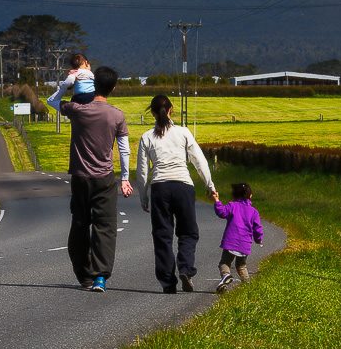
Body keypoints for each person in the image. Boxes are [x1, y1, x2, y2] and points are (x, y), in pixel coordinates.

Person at [46, 65, 132, 293]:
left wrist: (66, 83)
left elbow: (52, 102)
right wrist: (125, 178)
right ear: (113, 88)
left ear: (94, 86)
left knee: (80, 225)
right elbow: (124, 150)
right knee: (105, 227)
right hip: (104, 178)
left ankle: (84, 275)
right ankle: (100, 277)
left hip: (80, 177)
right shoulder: (117, 115)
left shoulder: (77, 109)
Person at [135, 94, 216, 294]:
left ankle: (167, 282)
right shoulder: (183, 132)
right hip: (183, 186)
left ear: (153, 113)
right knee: (188, 232)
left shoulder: (146, 137)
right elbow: (199, 161)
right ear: (171, 110)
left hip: (160, 188)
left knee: (162, 235)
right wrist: (210, 185)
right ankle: (186, 268)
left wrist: (144, 196)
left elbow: (142, 171)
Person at [213, 182, 264, 293]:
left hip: (231, 243)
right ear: (250, 196)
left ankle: (226, 276)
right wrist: (258, 239)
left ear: (234, 195)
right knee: (241, 266)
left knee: (224, 263)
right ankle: (247, 287)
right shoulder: (254, 212)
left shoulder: (232, 206)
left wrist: (217, 200)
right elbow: (257, 228)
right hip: (244, 245)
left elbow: (221, 212)